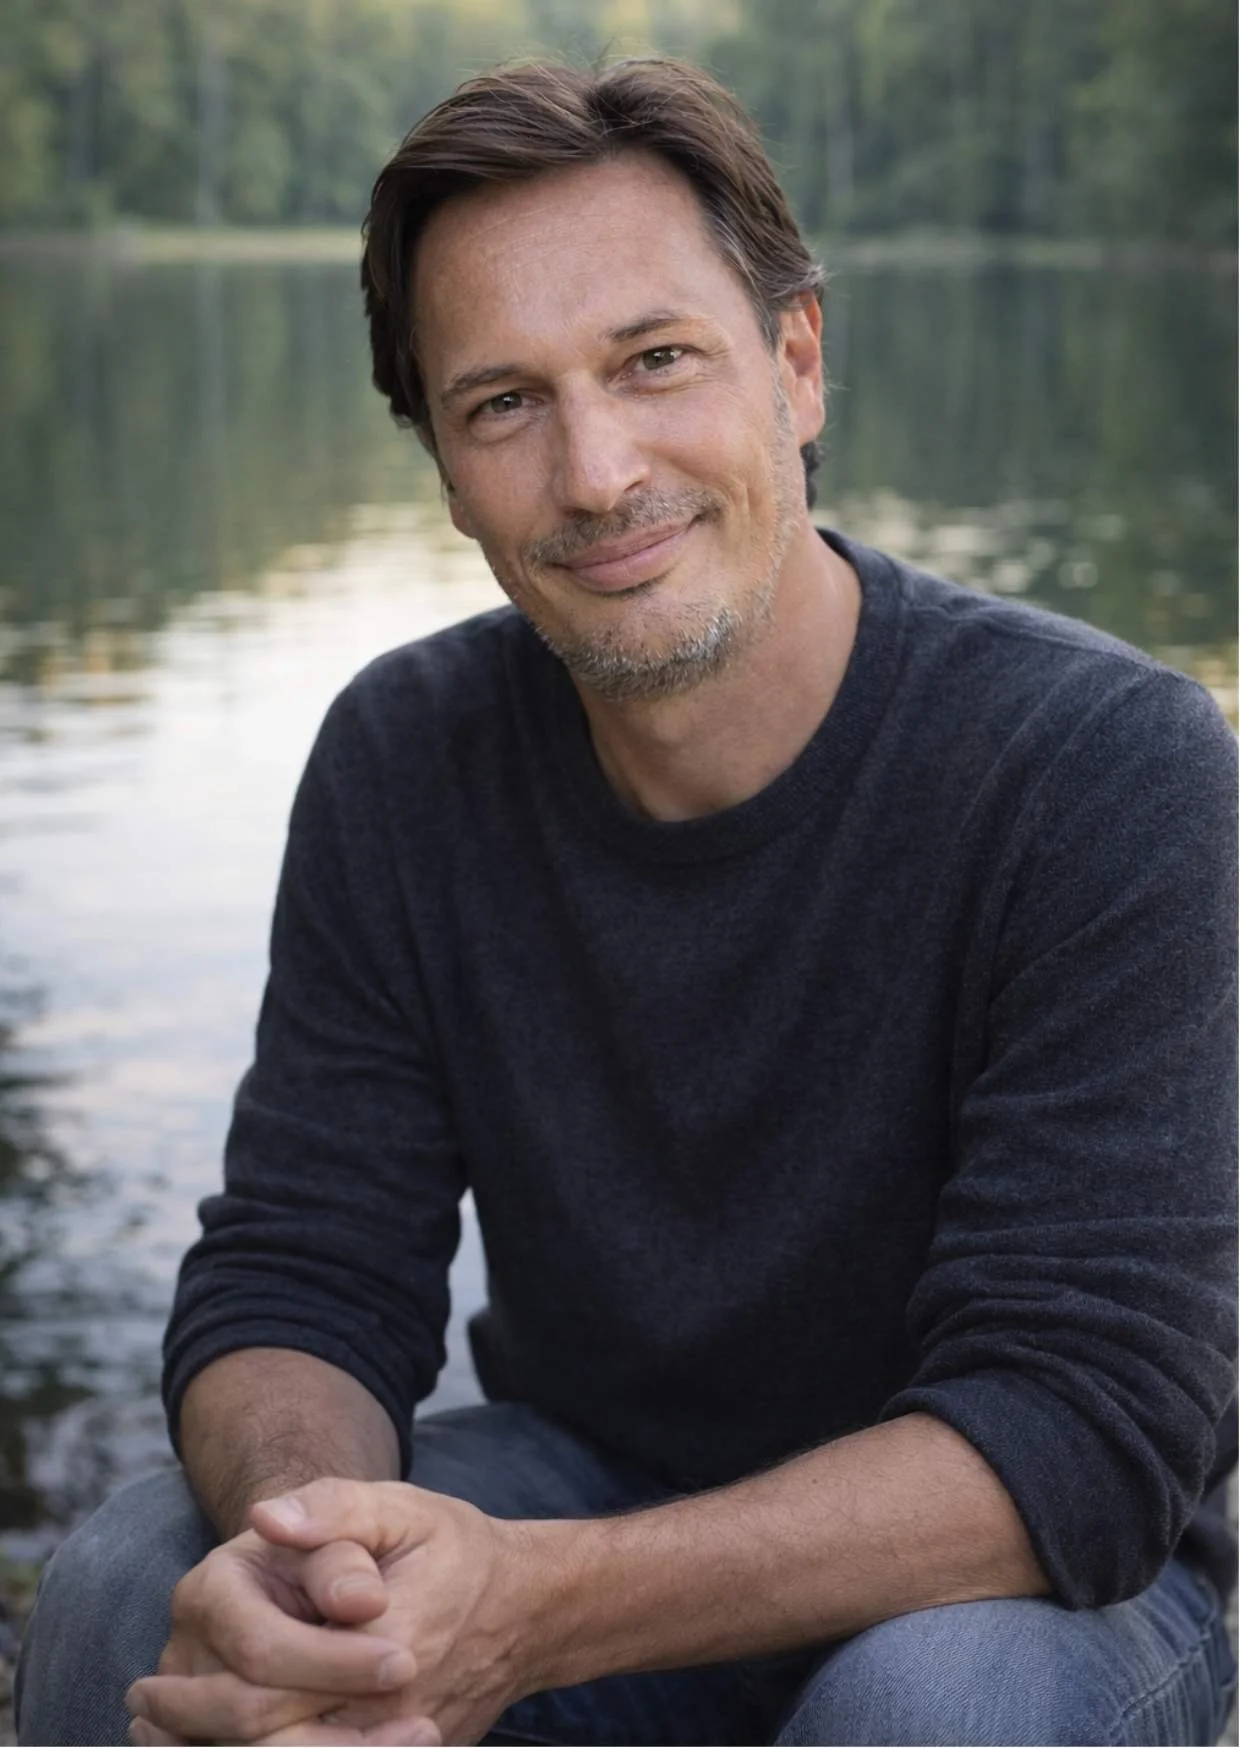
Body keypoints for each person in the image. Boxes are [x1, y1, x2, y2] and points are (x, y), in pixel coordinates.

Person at [16, 57, 1237, 1748]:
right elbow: (301, 1272)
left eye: (656, 361)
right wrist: (330, 1563)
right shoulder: (402, 758)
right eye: (502, 402)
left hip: (1006, 1593)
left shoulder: (1108, 765)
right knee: (135, 1587)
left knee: (936, 1705)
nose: (597, 475)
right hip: (585, 1485)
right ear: (442, 465)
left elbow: (1082, 1426)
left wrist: (526, 1613)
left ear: (797, 365)